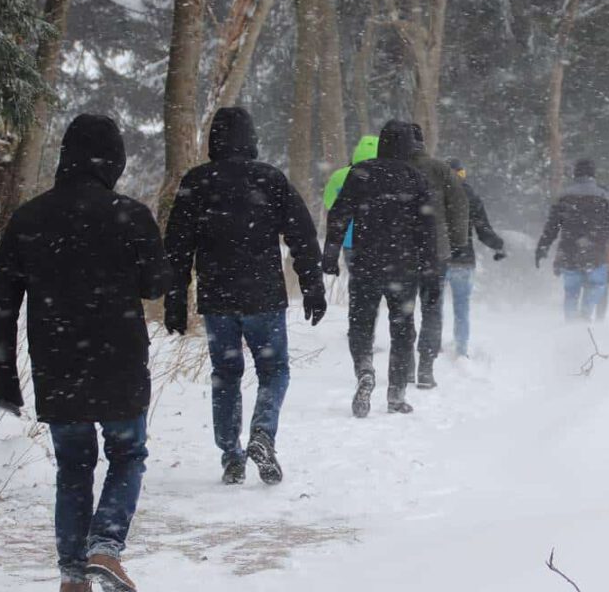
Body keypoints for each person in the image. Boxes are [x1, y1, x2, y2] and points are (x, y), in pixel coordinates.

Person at [0, 114, 172, 592]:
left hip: (57, 361)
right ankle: (105, 545)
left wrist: (1, 377)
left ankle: (72, 574)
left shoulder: (29, 218)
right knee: (127, 455)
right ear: (114, 160)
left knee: (73, 466)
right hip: (120, 359)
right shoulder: (130, 214)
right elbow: (155, 284)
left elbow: (0, 301)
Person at [164, 107, 326, 487]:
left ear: (213, 140)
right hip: (263, 297)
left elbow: (177, 247)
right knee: (274, 371)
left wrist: (174, 296)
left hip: (217, 299)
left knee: (226, 375)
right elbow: (301, 235)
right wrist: (312, 284)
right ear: (251, 139)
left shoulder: (197, 182)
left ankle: (231, 456)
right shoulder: (269, 179)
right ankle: (263, 433)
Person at [323, 120, 437, 417]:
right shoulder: (416, 178)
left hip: (365, 263)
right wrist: (429, 269)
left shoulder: (360, 173)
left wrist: (331, 251)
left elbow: (339, 213)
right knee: (402, 330)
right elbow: (427, 228)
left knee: (360, 323)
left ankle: (364, 368)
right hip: (403, 267)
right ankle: (396, 394)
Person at [408, 123, 468, 388]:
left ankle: (405, 363)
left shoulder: (393, 169)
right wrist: (456, 243)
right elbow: (458, 206)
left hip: (401, 253)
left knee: (402, 310)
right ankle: (426, 367)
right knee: (432, 309)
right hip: (436, 251)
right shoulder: (440, 169)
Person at [536, 158, 609, 321]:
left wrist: (542, 248)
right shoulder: (604, 197)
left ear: (575, 174)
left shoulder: (564, 197)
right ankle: (586, 316)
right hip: (596, 254)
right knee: (597, 285)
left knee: (571, 292)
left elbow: (551, 227)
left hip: (569, 253)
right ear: (593, 174)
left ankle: (571, 324)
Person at [445, 158, 506, 357]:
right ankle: (461, 349)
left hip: (438, 259)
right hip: (463, 260)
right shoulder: (470, 196)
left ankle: (431, 349)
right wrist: (498, 246)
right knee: (461, 308)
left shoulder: (435, 195)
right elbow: (483, 230)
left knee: (433, 307)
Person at [324, 135, 379, 270]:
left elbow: (329, 202)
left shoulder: (339, 175)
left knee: (357, 279)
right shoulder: (384, 175)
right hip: (378, 238)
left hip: (349, 239)